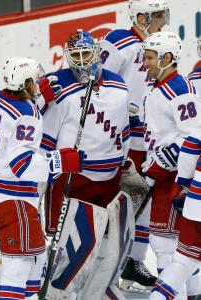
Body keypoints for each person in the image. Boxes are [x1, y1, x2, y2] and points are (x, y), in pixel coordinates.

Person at [0, 57, 84, 300]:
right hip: (12, 198)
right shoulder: (28, 114)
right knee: (19, 266)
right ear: (25, 83)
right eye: (36, 80)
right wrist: (59, 162)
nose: (40, 82)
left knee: (36, 263)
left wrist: (39, 98)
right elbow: (20, 163)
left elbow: (10, 127)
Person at [39, 29, 136, 298]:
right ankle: (56, 292)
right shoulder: (57, 86)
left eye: (86, 54)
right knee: (66, 243)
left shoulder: (118, 85)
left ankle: (99, 288)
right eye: (76, 56)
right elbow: (44, 138)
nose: (82, 62)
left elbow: (124, 131)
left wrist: (126, 163)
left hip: (109, 179)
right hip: (72, 179)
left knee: (106, 240)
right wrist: (44, 176)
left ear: (97, 54)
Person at [99, 0, 170, 291]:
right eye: (156, 16)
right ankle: (102, 265)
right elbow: (94, 80)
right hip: (122, 139)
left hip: (149, 139)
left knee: (145, 202)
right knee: (116, 203)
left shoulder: (161, 46)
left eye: (163, 15)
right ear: (140, 17)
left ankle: (133, 264)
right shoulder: (119, 41)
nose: (162, 22)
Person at [140, 31, 201, 299]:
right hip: (164, 178)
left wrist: (162, 165)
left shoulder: (179, 90)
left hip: (177, 179)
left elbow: (195, 134)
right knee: (178, 249)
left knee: (167, 245)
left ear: (166, 57)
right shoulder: (159, 88)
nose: (146, 63)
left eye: (151, 57)